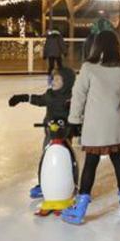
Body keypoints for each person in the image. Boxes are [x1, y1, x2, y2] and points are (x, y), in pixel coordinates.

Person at [63, 30, 120, 225]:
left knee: (91, 163)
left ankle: (80, 207)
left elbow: (78, 95)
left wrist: (74, 119)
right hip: (116, 124)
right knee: (118, 160)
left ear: (96, 46)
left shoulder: (89, 68)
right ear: (116, 46)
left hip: (96, 125)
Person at [9, 66, 76, 199]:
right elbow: (38, 100)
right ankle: (42, 183)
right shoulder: (50, 95)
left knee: (68, 157)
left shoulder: (72, 97)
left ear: (67, 82)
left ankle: (73, 181)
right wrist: (21, 98)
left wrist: (77, 125)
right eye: (53, 79)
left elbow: (80, 111)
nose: (53, 82)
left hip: (66, 132)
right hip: (50, 132)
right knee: (45, 156)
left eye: (57, 79)